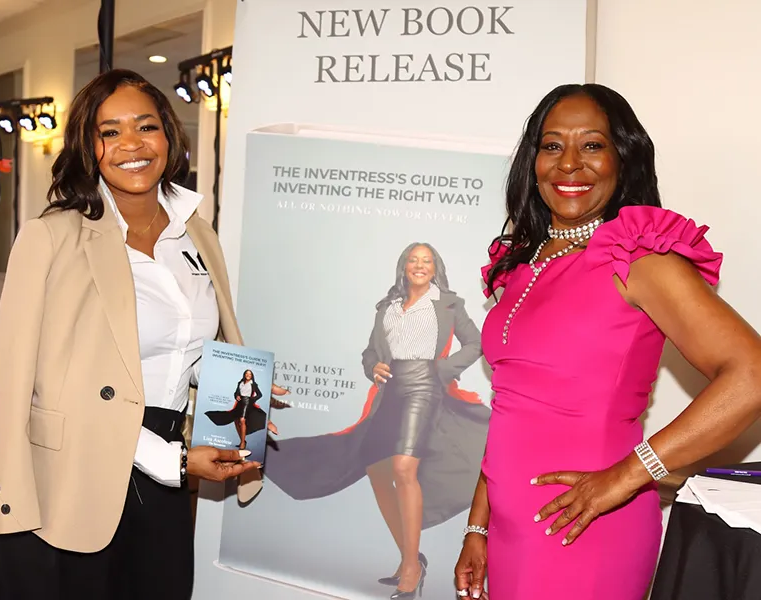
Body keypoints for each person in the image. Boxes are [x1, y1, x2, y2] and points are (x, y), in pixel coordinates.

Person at [0, 68, 286, 600]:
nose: (132, 145)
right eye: (110, 131)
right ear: (88, 146)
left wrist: (243, 395)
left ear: (169, 135)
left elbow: (190, 347)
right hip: (69, 479)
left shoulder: (195, 231)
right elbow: (29, 384)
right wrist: (171, 460)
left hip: (166, 470)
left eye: (146, 127)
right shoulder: (51, 237)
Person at [453, 83, 761, 600]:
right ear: (532, 161)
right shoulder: (524, 263)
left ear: (624, 157)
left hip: (585, 526)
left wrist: (628, 476)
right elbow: (512, 406)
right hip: (510, 527)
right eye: (552, 146)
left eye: (592, 145)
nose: (569, 163)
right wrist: (478, 525)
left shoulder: (639, 259)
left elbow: (750, 374)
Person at [265, 242, 489, 599]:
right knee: (377, 470)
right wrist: (374, 367)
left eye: (426, 260)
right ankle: (410, 557)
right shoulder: (387, 307)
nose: (419, 265)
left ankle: (412, 569)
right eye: (413, 260)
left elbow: (476, 342)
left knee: (403, 468)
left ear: (435, 268)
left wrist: (441, 370)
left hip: (424, 387)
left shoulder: (448, 304)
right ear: (404, 267)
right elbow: (370, 351)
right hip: (391, 390)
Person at [204, 369, 266, 449]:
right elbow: (236, 392)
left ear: (252, 376)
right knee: (236, 421)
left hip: (247, 402)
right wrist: (236, 396)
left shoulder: (253, 384)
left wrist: (251, 399)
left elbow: (260, 394)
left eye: (250, 374)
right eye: (247, 373)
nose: (248, 375)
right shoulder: (240, 383)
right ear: (244, 374)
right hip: (239, 403)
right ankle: (242, 440)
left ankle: (243, 443)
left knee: (242, 420)